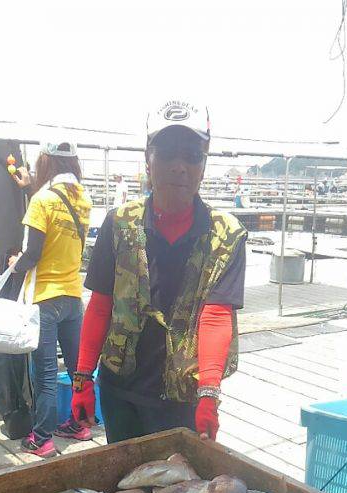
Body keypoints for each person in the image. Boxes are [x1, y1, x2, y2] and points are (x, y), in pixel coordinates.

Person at [71, 100, 247, 444]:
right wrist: (82, 377)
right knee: (125, 484)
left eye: (192, 154)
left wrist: (209, 392)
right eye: (167, 153)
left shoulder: (226, 235)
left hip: (184, 394)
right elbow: (100, 304)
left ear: (204, 162)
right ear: (148, 158)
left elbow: (216, 314)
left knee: (177, 490)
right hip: (120, 388)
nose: (179, 166)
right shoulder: (119, 224)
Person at [9, 141, 92, 458]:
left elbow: (34, 253)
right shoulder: (83, 199)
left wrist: (14, 264)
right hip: (73, 296)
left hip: (45, 298)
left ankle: (41, 438)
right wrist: (31, 189)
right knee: (77, 370)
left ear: (46, 164)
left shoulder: (42, 201)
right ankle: (80, 424)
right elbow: (59, 225)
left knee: (43, 375)